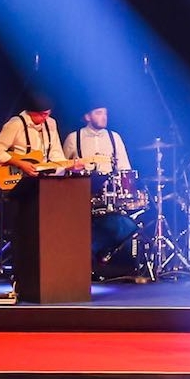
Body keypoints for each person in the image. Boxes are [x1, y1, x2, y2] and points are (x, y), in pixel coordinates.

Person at [65, 104, 138, 265]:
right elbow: (62, 167)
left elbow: (125, 168)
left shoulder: (114, 137)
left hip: (110, 195)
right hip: (82, 194)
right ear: (87, 117)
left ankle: (103, 256)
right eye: (99, 113)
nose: (104, 117)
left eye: (105, 113)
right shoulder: (73, 138)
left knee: (127, 225)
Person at [0, 94, 75, 181]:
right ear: (31, 112)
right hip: (19, 178)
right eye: (43, 114)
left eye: (48, 113)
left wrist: (69, 165)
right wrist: (20, 164)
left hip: (43, 179)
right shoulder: (16, 124)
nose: (46, 118)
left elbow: (56, 154)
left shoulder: (51, 123)